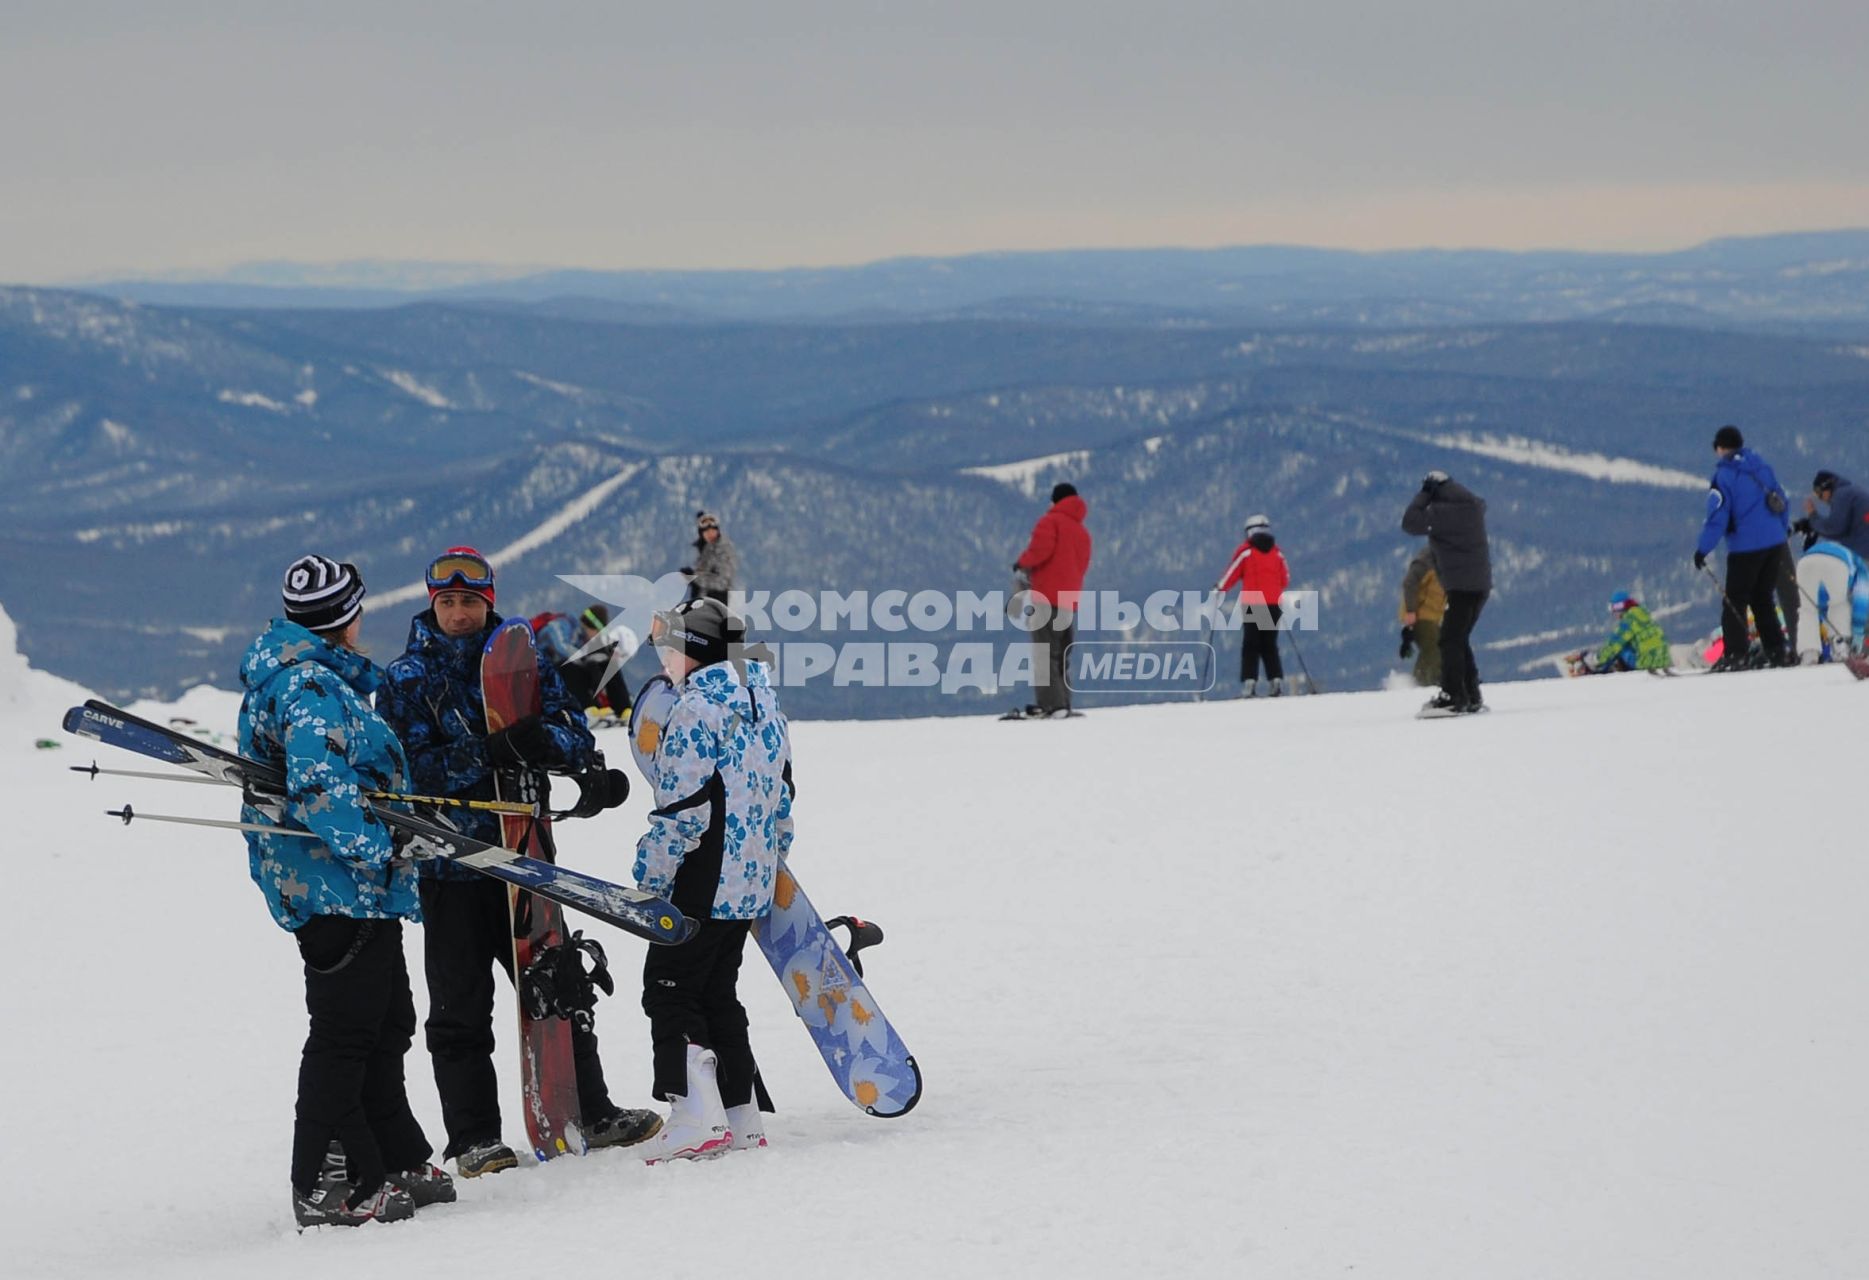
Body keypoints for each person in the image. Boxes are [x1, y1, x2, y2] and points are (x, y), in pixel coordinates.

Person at [376, 546, 659, 1178]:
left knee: (558, 981)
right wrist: (493, 750)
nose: (457, 613)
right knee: (460, 1004)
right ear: (432, 605)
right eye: (446, 602)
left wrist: (550, 751)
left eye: (468, 602)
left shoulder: (522, 664)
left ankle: (589, 1107)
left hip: (527, 851)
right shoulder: (405, 679)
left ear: (487, 602)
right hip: (451, 863)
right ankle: (474, 1137)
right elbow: (410, 772)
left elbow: (573, 732)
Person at [239, 555, 451, 1228]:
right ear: (345, 617)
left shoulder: (322, 679)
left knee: (387, 1022)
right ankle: (328, 1181)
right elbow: (319, 786)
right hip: (333, 885)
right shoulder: (309, 687)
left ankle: (391, 1155)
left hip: (361, 887)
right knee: (346, 1031)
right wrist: (379, 845)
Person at [635, 597, 792, 1162]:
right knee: (718, 992)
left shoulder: (697, 710)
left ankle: (693, 1116)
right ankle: (739, 1115)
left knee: (669, 989)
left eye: (669, 647)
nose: (665, 660)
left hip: (699, 878)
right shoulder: (766, 707)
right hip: (747, 882)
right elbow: (783, 801)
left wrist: (649, 878)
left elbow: (683, 809)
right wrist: (771, 866)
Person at [1694, 425, 1796, 672]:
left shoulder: (1724, 476)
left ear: (1720, 448)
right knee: (1763, 599)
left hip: (1745, 548)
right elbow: (1782, 501)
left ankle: (1736, 655)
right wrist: (1782, 530)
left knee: (1735, 601)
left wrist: (1703, 549)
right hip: (1774, 544)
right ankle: (1776, 651)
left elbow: (1717, 516)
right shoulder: (1761, 467)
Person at [1400, 470, 1492, 716]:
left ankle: (1452, 695)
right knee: (1458, 638)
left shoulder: (1445, 514)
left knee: (1449, 639)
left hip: (1462, 586)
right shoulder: (1471, 509)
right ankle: (1471, 693)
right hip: (1479, 585)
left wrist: (1424, 494)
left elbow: (1409, 521)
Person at [1011, 482, 1093, 719]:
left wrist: (1021, 563)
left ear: (1055, 501)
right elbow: (1082, 566)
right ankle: (1062, 702)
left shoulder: (1050, 522)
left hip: (1046, 596)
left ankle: (1052, 706)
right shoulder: (1082, 533)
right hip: (1069, 599)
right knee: (1060, 653)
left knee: (1044, 652)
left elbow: (1040, 550)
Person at [1215, 514, 1290, 697]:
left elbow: (1232, 573)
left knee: (1251, 644)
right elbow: (1285, 579)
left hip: (1254, 601)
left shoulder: (1246, 551)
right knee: (1269, 645)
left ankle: (1250, 685)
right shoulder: (1277, 553)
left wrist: (1219, 589)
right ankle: (1276, 682)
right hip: (1274, 603)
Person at [536, 604, 638, 722]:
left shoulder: (583, 640)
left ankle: (624, 708)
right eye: (599, 631)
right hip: (547, 677)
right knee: (570, 665)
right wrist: (587, 659)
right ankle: (589, 709)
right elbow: (561, 646)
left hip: (568, 682)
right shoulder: (562, 624)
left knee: (607, 664)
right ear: (593, 627)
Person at [1572, 591, 1671, 674]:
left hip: (1646, 663)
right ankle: (1615, 667)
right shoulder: (1644, 616)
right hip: (1662, 661)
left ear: (1620, 606)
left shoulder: (1630, 620)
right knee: (1627, 646)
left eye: (1612, 608)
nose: (1613, 613)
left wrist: (1595, 659)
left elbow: (1614, 644)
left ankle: (1593, 670)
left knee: (1619, 648)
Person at [1795, 470, 1869, 561]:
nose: (1821, 499)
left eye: (1819, 494)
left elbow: (1835, 528)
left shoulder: (1841, 495)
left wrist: (1812, 516)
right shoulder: (1850, 492)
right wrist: (1815, 525)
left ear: (1826, 488)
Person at [1398, 546, 1445, 688]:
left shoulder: (1449, 560)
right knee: (1433, 649)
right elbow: (1409, 583)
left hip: (1434, 617)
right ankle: (1423, 684)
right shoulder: (1427, 560)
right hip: (1420, 615)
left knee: (1441, 648)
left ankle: (1429, 682)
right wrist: (1411, 611)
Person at [683, 511, 738, 603]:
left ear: (717, 531)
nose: (710, 534)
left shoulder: (723, 550)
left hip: (716, 604)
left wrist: (695, 578)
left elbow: (723, 582)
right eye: (706, 531)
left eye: (713, 530)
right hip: (702, 603)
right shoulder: (706, 550)